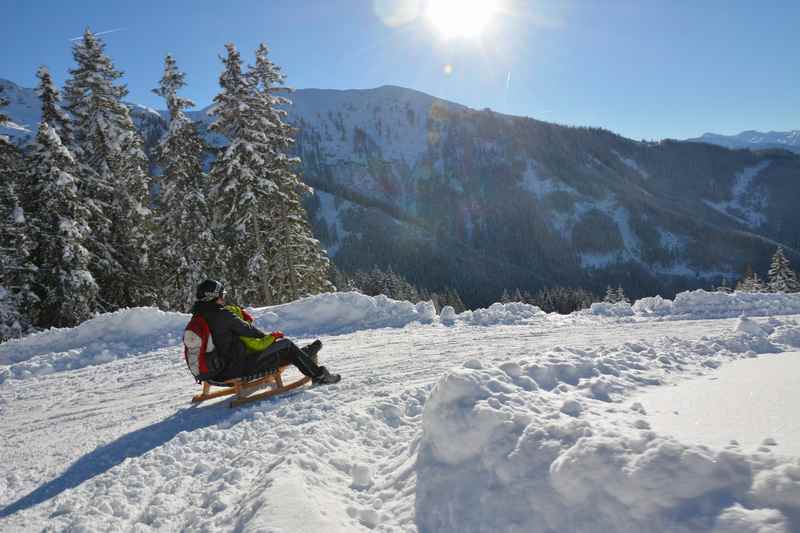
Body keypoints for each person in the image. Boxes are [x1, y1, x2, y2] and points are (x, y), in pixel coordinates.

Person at [191, 279, 341, 385]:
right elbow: (249, 331)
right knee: (286, 345)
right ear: (213, 297)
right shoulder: (222, 314)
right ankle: (318, 375)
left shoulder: (198, 317)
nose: (223, 298)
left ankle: (305, 352)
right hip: (237, 369)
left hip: (217, 372)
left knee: (282, 349)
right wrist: (270, 339)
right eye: (222, 295)